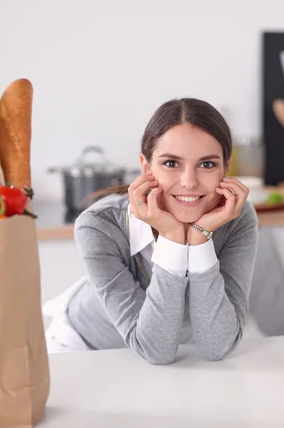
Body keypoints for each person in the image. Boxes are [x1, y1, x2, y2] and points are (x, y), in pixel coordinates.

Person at [44, 97, 259, 364]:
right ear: (146, 167)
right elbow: (154, 350)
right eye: (171, 163)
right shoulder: (99, 225)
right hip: (84, 353)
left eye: (207, 164)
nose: (189, 182)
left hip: (171, 357)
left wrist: (199, 239)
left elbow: (218, 347)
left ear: (226, 169)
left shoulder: (237, 217)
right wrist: (173, 239)